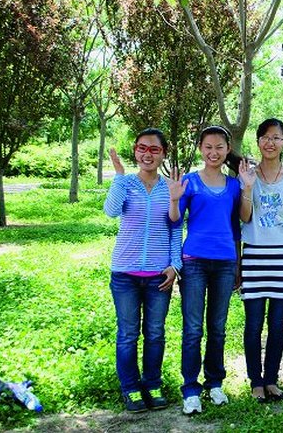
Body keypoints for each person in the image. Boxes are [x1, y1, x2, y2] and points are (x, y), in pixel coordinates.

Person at [104, 128, 181, 413]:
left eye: (154, 149)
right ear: (135, 151)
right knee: (127, 334)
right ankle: (130, 388)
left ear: (163, 154)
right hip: (124, 274)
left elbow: (176, 227)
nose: (147, 154)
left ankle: (152, 384)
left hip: (158, 276)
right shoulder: (126, 183)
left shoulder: (170, 187)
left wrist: (175, 265)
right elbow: (111, 211)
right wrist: (118, 176)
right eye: (142, 148)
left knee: (155, 333)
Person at [168, 125, 242, 414]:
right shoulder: (189, 181)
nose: (214, 152)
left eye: (219, 147)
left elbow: (236, 227)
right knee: (193, 328)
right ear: (200, 148)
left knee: (218, 327)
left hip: (225, 262)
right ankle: (190, 388)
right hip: (194, 261)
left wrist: (238, 263)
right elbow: (175, 221)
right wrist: (175, 199)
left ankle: (215, 383)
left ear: (227, 150)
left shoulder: (234, 185)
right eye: (208, 147)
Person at [237, 118, 283, 402]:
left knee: (278, 324)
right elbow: (244, 217)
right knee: (253, 324)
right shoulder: (247, 175)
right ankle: (256, 382)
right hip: (255, 255)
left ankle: (271, 380)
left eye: (276, 138)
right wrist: (247, 188)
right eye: (266, 137)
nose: (271, 142)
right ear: (258, 141)